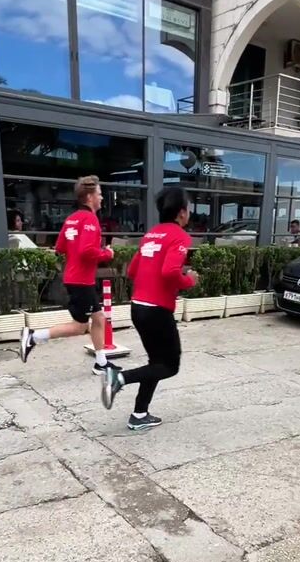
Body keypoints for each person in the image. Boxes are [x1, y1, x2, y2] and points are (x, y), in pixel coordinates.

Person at [100, 187, 198, 431]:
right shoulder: (180, 237)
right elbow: (170, 272)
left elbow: (132, 271)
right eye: (188, 208)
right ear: (181, 212)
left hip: (138, 307)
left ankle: (139, 414)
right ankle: (119, 378)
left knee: (156, 362)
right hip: (157, 311)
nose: (189, 213)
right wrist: (189, 280)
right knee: (170, 366)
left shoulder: (151, 235)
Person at [19, 176, 117, 375]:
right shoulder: (90, 219)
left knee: (99, 318)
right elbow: (86, 251)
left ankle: (101, 363)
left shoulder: (71, 219)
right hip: (81, 281)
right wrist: (107, 253)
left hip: (76, 278)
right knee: (80, 327)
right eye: (99, 194)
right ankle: (33, 337)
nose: (101, 198)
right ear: (89, 197)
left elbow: (60, 247)